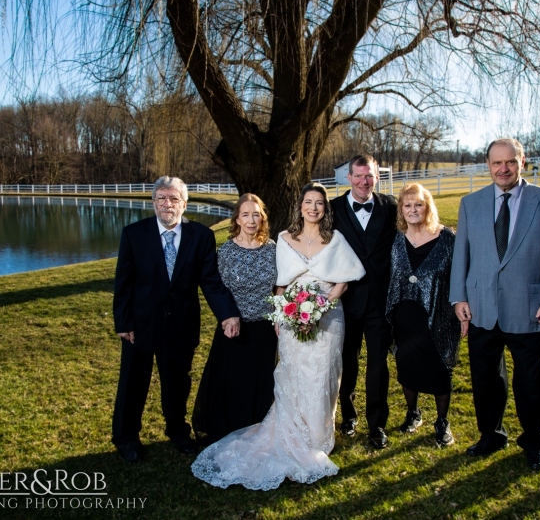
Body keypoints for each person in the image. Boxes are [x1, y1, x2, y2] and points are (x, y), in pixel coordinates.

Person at [191, 183, 365, 490]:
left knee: (323, 375)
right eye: (308, 202)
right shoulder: (284, 240)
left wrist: (321, 307)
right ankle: (291, 429)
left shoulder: (334, 239)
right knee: (294, 375)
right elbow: (281, 284)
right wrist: (288, 314)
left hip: (328, 316)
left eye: (319, 204)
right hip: (291, 314)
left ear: (325, 209)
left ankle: (318, 437)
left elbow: (344, 281)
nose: (313, 208)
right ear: (300, 206)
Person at [449, 138, 540, 471]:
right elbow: (462, 255)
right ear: (487, 165)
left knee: (530, 381)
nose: (503, 169)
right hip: (481, 307)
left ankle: (533, 442)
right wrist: (459, 296)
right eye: (496, 163)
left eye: (510, 162)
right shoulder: (470, 203)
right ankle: (491, 435)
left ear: (522, 162)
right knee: (486, 378)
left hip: (529, 308)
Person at [111, 176, 241, 460]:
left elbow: (211, 281)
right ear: (154, 202)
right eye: (161, 198)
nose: (166, 204)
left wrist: (227, 313)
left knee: (177, 382)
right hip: (140, 324)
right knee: (133, 382)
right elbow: (124, 283)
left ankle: (177, 430)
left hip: (181, 324)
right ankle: (126, 436)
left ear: (184, 204)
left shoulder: (201, 236)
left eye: (173, 199)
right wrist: (123, 323)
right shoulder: (134, 234)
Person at [192, 194, 278, 447]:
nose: (251, 220)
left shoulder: (273, 248)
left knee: (261, 381)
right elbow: (217, 289)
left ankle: (258, 428)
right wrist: (227, 318)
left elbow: (280, 286)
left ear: (262, 217)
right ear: (237, 219)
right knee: (232, 382)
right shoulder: (227, 250)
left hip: (264, 328)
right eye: (245, 215)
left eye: (256, 214)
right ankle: (230, 427)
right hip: (235, 328)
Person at [385, 183, 465, 446]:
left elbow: (460, 276)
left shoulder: (447, 239)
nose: (412, 209)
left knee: (441, 368)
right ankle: (413, 413)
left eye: (418, 204)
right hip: (405, 316)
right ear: (401, 210)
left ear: (428, 207)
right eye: (407, 205)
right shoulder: (396, 239)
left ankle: (442, 422)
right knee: (407, 368)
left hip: (439, 317)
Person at [330, 154, 398, 449]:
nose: (363, 181)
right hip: (345, 299)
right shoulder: (333, 209)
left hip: (380, 300)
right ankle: (348, 414)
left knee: (378, 363)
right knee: (347, 360)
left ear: (377, 176)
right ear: (349, 178)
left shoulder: (391, 207)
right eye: (358, 176)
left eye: (368, 175)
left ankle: (377, 424)